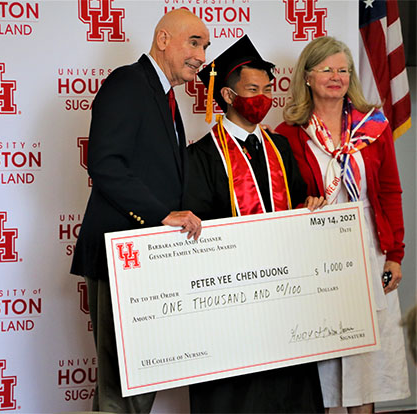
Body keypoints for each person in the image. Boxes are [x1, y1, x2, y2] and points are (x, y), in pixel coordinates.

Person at [70, 9, 209, 413]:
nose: (202, 56)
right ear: (163, 39)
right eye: (194, 42)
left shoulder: (165, 97)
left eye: (206, 45)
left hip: (146, 257)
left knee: (136, 384)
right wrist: (160, 215)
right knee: (121, 389)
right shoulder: (128, 82)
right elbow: (106, 164)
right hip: (122, 254)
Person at [185, 35, 325, 413]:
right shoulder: (200, 156)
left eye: (267, 89)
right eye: (252, 89)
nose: (262, 98)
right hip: (230, 302)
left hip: (285, 297)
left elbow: (297, 201)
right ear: (229, 96)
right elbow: (194, 232)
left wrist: (308, 207)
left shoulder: (279, 147)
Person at [276, 36, 410, 413]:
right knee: (323, 356)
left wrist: (395, 254)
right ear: (307, 76)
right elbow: (281, 197)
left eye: (343, 70)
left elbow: (389, 191)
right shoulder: (288, 134)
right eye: (327, 70)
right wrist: (304, 205)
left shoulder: (373, 127)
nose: (336, 77)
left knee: (364, 361)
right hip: (316, 255)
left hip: (368, 248)